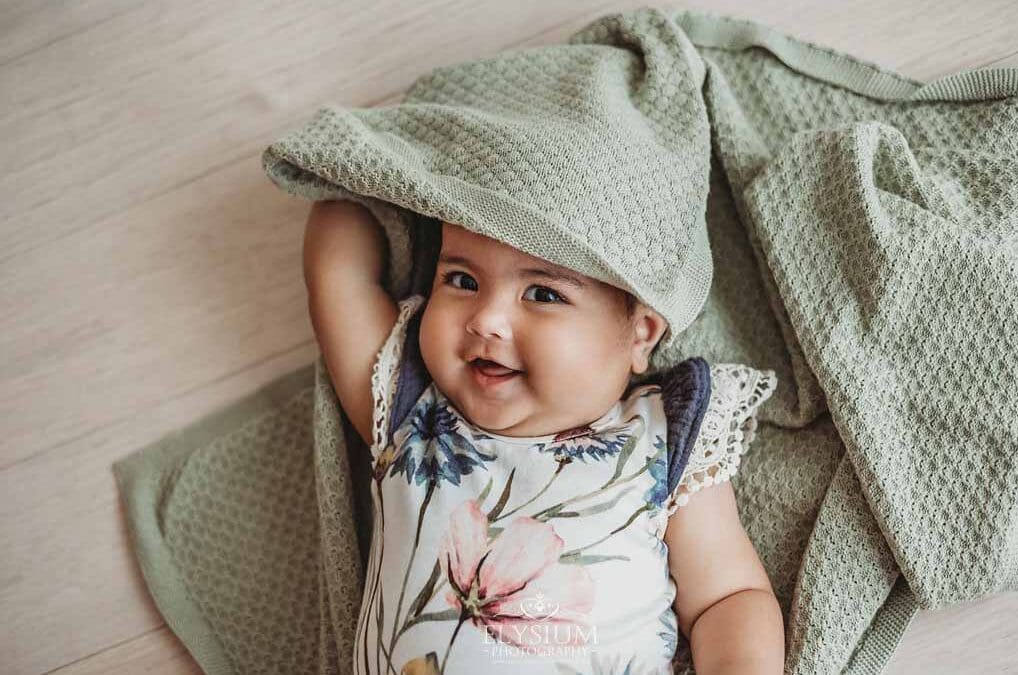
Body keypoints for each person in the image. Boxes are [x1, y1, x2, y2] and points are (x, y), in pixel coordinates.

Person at [303, 199, 786, 675]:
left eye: (543, 294)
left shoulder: (660, 439)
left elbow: (726, 598)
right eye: (462, 280)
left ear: (640, 334)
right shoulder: (410, 412)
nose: (486, 319)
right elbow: (338, 268)